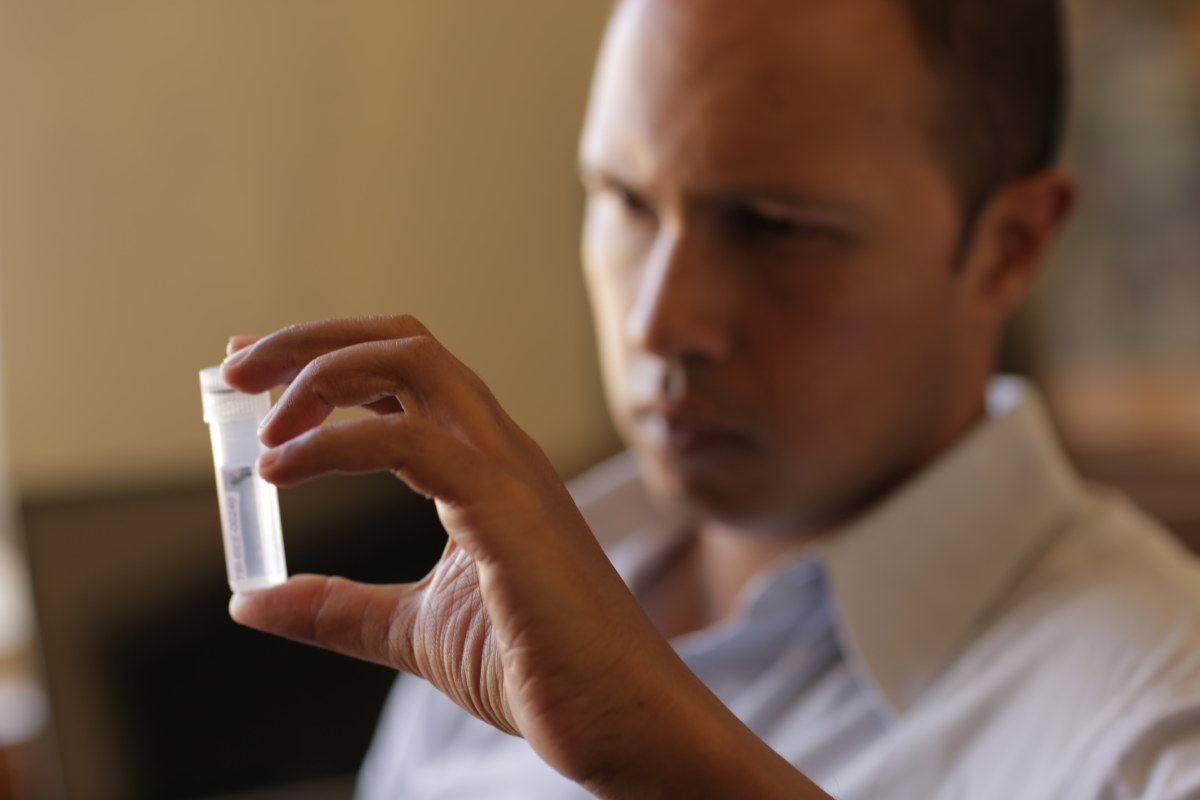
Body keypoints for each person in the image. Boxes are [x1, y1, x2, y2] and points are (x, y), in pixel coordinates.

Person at [220, 0, 1200, 797]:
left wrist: (668, 764)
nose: (659, 320)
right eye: (628, 202)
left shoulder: (1153, 721)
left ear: (1012, 246)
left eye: (775, 226)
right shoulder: (481, 596)